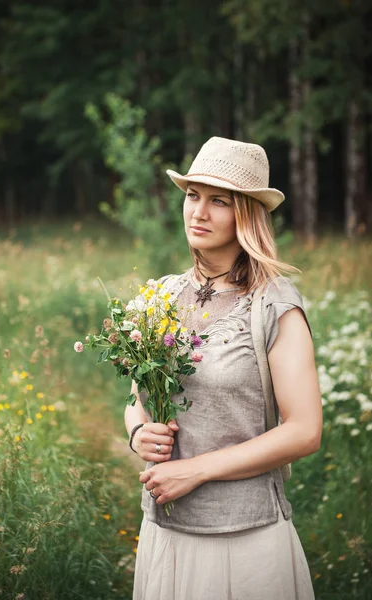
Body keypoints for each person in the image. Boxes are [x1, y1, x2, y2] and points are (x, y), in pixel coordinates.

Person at [124, 136, 322, 600]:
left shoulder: (274, 305)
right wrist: (138, 432)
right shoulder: (162, 297)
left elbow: (305, 431)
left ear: (247, 214)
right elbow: (136, 402)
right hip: (166, 530)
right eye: (193, 195)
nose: (199, 212)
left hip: (245, 539)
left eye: (219, 201)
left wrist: (195, 470)